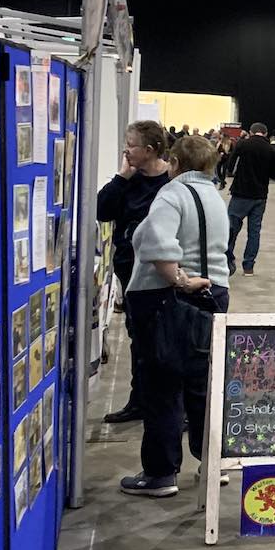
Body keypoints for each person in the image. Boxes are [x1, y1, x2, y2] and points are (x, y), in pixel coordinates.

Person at [119, 134, 232, 498]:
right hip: (213, 294)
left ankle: (160, 473)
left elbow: (158, 246)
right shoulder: (215, 196)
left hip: (167, 299)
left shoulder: (171, 194)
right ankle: (211, 462)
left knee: (162, 386)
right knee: (202, 384)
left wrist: (180, 280)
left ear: (175, 163)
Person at [95, 120, 172, 425]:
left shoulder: (172, 183)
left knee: (161, 344)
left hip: (161, 276)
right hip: (130, 274)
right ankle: (139, 401)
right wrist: (121, 178)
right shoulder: (129, 181)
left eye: (131, 145)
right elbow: (102, 211)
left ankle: (165, 407)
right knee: (137, 340)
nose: (125, 150)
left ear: (150, 150)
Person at [225, 123, 275, 276]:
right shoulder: (271, 150)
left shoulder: (243, 144)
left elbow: (230, 163)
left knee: (231, 229)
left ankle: (227, 261)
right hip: (260, 195)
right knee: (254, 232)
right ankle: (248, 267)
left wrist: (230, 172)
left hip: (241, 193)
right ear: (266, 133)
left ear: (250, 132)